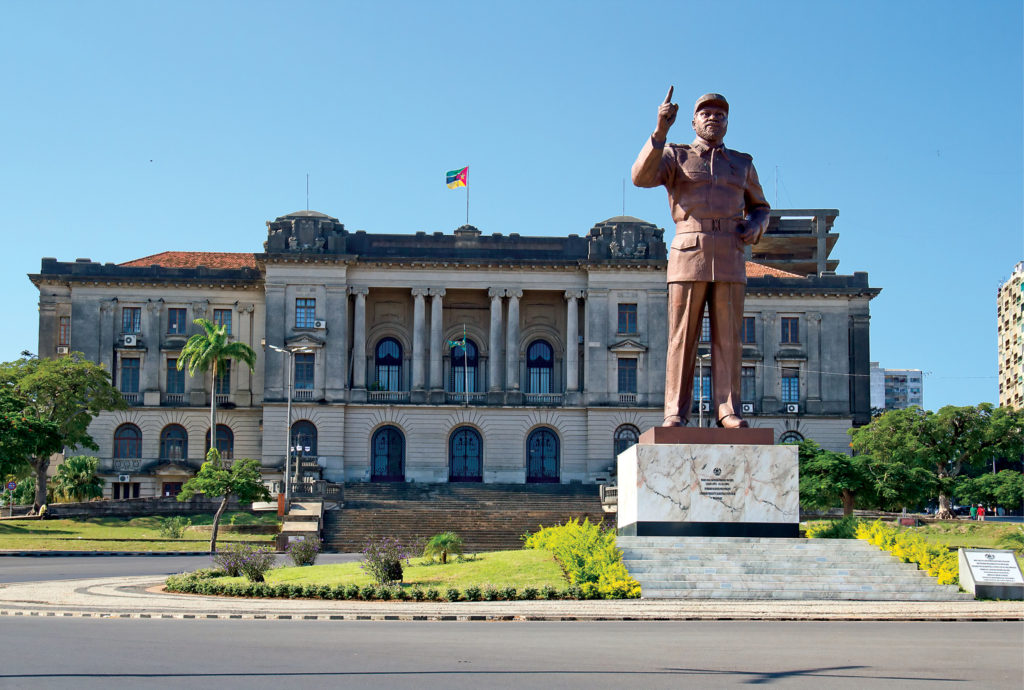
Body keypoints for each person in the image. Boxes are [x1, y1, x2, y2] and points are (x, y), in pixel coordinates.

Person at [632, 88, 770, 428]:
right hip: (689, 250)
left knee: (729, 339)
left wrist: (757, 223)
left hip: (730, 252)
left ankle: (728, 410)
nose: (713, 118)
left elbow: (761, 206)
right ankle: (675, 412)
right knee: (682, 337)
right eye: (706, 113)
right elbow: (641, 177)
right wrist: (660, 131)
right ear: (693, 121)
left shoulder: (742, 163)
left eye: (720, 114)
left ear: (727, 123)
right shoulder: (676, 155)